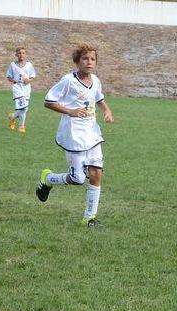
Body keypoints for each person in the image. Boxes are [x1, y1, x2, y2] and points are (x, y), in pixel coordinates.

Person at [34, 44, 114, 227]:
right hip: (74, 135)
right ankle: (48, 179)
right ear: (77, 61)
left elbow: (99, 98)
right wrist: (70, 111)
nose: (89, 62)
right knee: (78, 179)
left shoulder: (96, 80)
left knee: (96, 173)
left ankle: (89, 218)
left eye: (93, 59)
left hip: (92, 133)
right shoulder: (68, 80)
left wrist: (107, 111)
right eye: (85, 59)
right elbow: (48, 101)